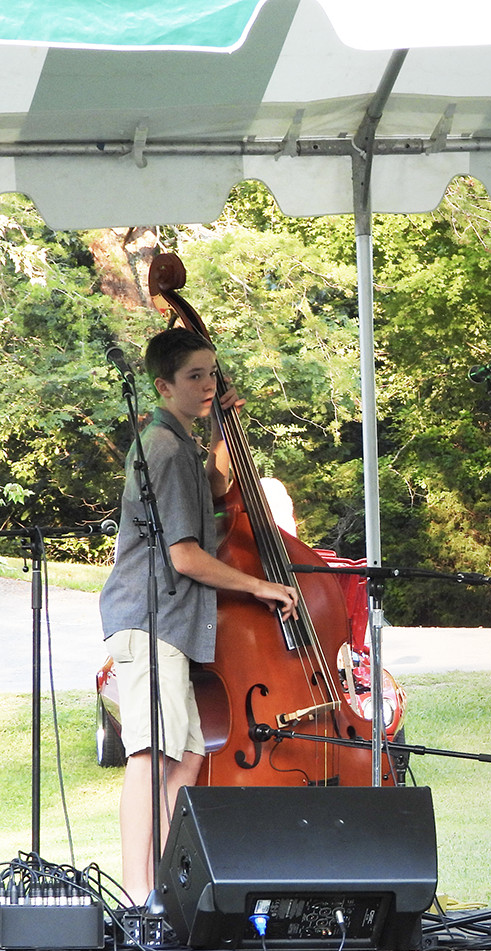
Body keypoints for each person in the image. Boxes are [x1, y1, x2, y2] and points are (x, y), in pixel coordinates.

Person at [99, 327, 300, 909]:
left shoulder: (180, 443)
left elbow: (215, 485)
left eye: (212, 373)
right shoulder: (160, 448)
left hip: (173, 627)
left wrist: (220, 431)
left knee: (186, 756)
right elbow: (185, 556)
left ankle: (164, 887)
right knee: (148, 756)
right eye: (195, 376)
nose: (209, 383)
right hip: (149, 620)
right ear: (163, 386)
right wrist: (259, 585)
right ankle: (138, 894)